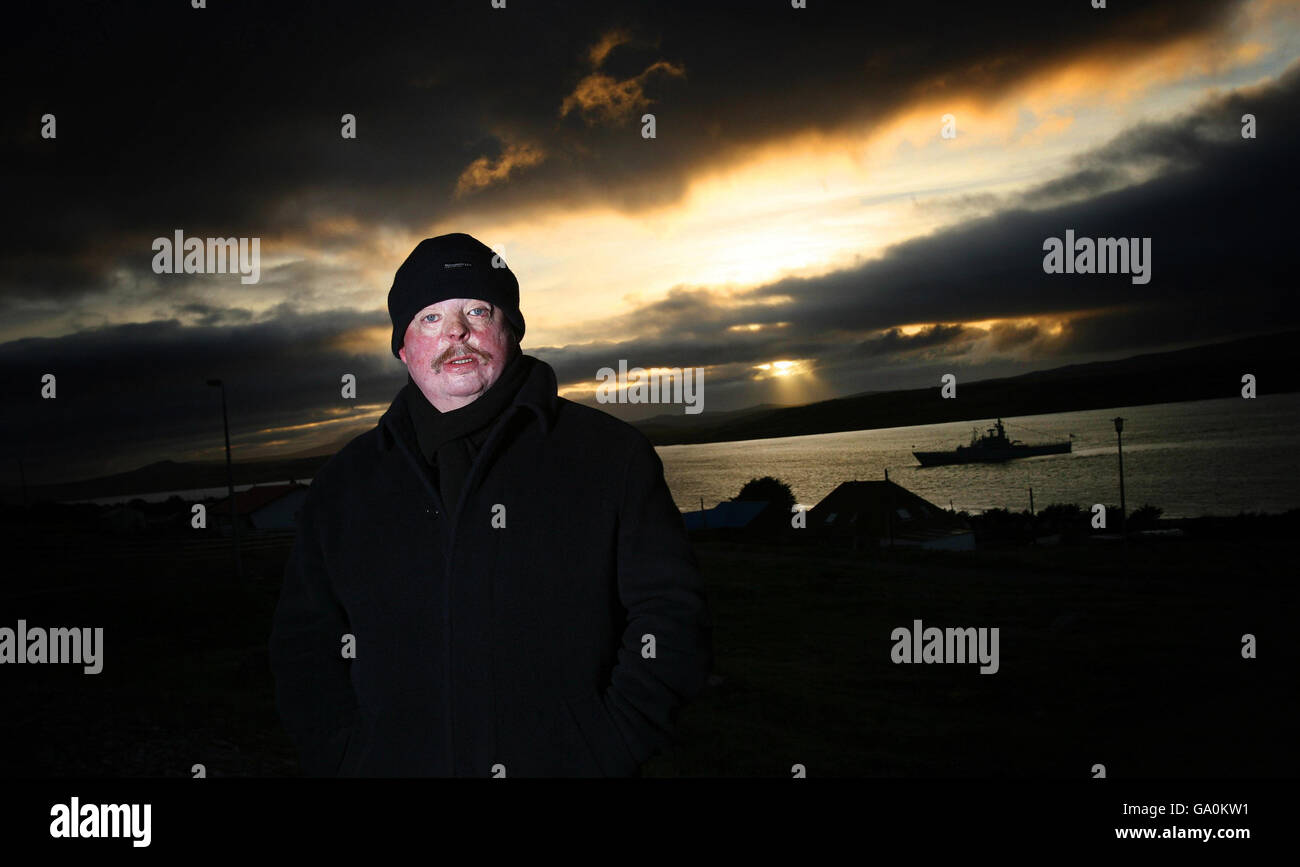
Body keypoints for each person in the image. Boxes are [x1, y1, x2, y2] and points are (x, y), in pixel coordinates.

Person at [269, 232, 713, 777]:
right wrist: (347, 756)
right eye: (430, 317)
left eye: (477, 310)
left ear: (512, 328)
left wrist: (607, 745)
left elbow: (670, 619)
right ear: (403, 347)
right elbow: (304, 645)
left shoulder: (610, 457)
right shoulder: (343, 485)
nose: (455, 331)